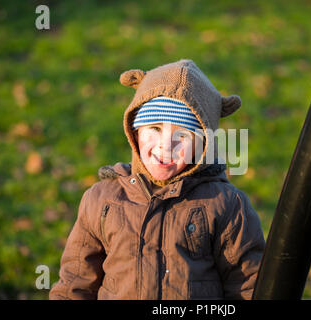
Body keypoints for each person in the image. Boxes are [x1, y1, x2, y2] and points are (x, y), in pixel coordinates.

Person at [49, 59, 265, 300]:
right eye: (154, 128)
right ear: (135, 130)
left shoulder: (225, 206)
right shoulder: (102, 201)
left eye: (183, 134)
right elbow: (74, 285)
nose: (166, 145)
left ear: (202, 145)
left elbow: (248, 286)